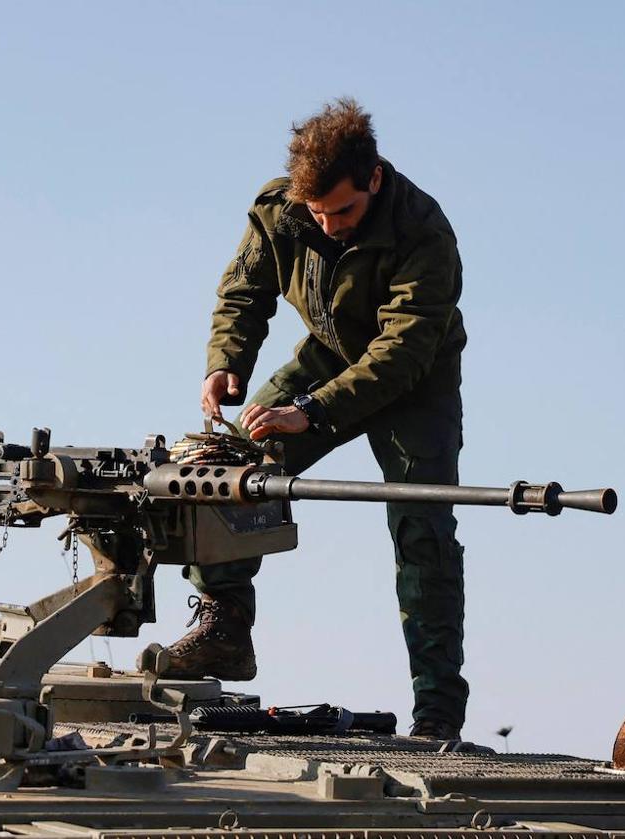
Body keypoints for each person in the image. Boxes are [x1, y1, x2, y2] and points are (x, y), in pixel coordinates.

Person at [162, 98, 469, 740]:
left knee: (422, 528)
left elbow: (402, 352)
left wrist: (311, 412)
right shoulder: (282, 208)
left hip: (414, 382)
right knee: (222, 473)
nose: (328, 226)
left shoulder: (425, 233)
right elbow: (244, 291)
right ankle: (226, 627)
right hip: (326, 356)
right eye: (317, 214)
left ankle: (437, 709)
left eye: (343, 211)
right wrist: (226, 361)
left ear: (374, 178)